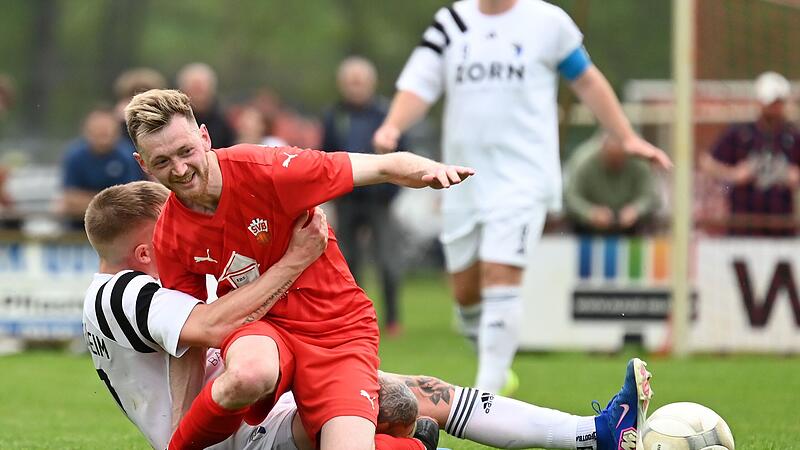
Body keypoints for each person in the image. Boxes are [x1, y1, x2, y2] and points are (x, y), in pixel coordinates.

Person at [84, 181, 653, 450]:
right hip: (240, 435)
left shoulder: (143, 287)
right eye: (172, 229)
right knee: (390, 412)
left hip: (261, 412)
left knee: (420, 393)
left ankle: (593, 434)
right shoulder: (119, 295)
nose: (186, 235)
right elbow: (209, 326)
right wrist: (294, 261)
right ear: (144, 250)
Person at [125, 89, 474, 450]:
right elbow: (190, 337)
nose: (180, 170)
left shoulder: (270, 170)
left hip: (336, 329)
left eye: (186, 152)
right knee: (248, 374)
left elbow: (382, 166)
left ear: (204, 137)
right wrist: (178, 429)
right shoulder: (170, 235)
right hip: (262, 326)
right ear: (143, 164)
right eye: (162, 161)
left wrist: (431, 170)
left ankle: (415, 446)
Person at [373, 0, 671, 396]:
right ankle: (493, 363)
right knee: (465, 291)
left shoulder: (547, 22)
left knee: (501, 272)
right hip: (461, 176)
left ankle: (486, 397)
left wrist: (626, 136)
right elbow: (419, 85)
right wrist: (392, 126)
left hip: (524, 176)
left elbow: (587, 81)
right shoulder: (452, 21)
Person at [322, 56, 406, 334]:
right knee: (347, 261)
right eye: (351, 82)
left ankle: (392, 319)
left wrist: (390, 191)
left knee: (387, 260)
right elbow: (325, 155)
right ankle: (354, 317)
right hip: (346, 197)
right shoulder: (334, 116)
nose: (355, 88)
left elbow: (402, 152)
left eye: (360, 82)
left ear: (371, 83)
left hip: (379, 199)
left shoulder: (386, 114)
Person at [701, 71, 800, 236]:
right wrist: (733, 175)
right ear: (760, 102)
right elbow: (707, 162)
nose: (775, 108)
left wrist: (794, 176)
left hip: (782, 226)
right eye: (771, 103)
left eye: (779, 103)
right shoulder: (741, 133)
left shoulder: (792, 136)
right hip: (743, 225)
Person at [61, 105, 146, 228]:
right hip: (79, 225)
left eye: (106, 129)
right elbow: (69, 200)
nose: (102, 133)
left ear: (116, 131)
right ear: (87, 131)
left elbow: (130, 201)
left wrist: (85, 201)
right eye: (98, 129)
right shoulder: (75, 156)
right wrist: (110, 202)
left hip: (119, 225)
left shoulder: (127, 155)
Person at [564, 134, 660, 234]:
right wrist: (590, 213)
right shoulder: (582, 161)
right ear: (602, 150)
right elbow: (571, 196)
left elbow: (650, 195)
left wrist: (636, 210)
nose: (615, 162)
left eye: (619, 157)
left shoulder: (640, 161)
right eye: (611, 158)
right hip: (587, 230)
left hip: (633, 229)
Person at [177, 62, 236, 148]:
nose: (198, 94)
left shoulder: (225, 121)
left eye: (201, 88)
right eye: (195, 88)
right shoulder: (177, 121)